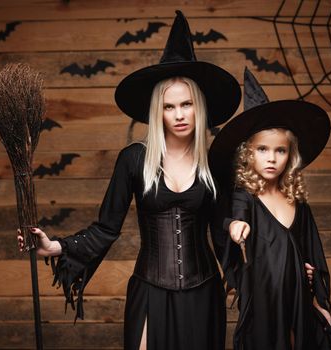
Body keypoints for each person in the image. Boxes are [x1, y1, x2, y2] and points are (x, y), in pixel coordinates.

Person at [18, 11, 241, 350]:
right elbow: (107, 227)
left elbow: (224, 231)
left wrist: (273, 266)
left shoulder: (214, 164)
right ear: (157, 111)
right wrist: (55, 247)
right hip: (150, 288)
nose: (179, 115)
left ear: (200, 107)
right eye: (169, 107)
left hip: (204, 291)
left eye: (186, 104)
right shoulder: (134, 159)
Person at [209, 68, 331, 350]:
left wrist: (316, 300)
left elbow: (311, 255)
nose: (271, 158)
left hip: (299, 304)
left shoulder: (298, 203)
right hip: (263, 308)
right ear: (248, 153)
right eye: (262, 149)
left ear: (290, 155)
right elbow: (232, 221)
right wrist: (234, 227)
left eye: (279, 150)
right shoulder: (244, 198)